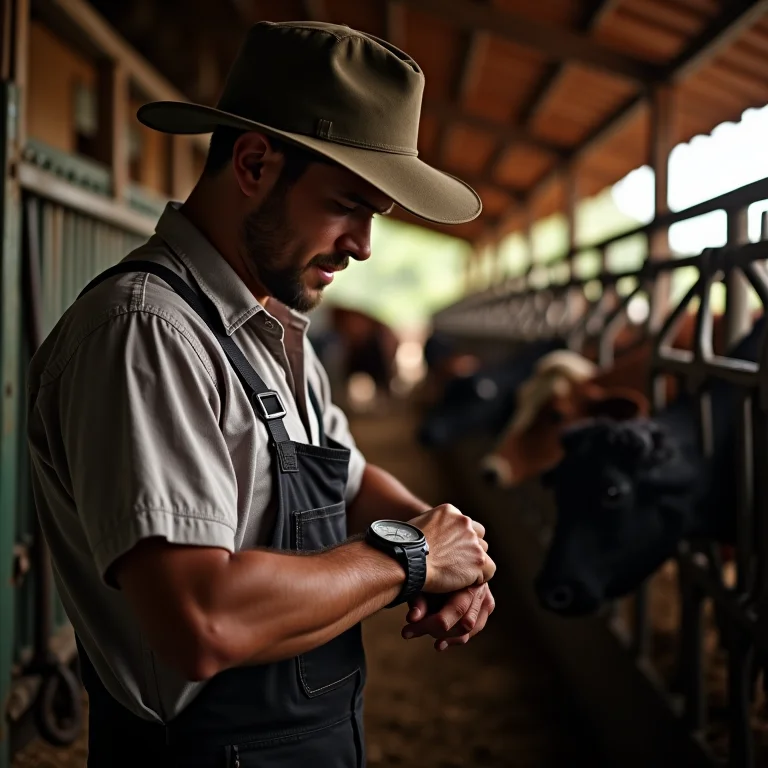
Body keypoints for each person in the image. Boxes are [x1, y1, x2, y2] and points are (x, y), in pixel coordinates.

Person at [27, 20, 496, 767]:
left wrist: (446, 543)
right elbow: (200, 619)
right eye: (348, 203)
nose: (363, 244)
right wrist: (410, 557)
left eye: (374, 214)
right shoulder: (148, 334)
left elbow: (348, 479)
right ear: (252, 163)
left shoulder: (271, 329)